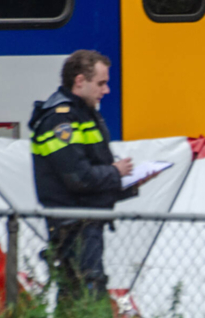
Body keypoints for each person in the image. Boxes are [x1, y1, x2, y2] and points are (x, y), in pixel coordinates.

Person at [29, 49, 137, 301]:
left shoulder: (82, 113)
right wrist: (115, 172)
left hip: (84, 222)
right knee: (87, 294)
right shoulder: (60, 121)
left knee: (75, 295)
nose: (106, 90)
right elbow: (78, 178)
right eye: (101, 83)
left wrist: (129, 181)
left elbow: (92, 168)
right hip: (73, 226)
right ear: (80, 81)